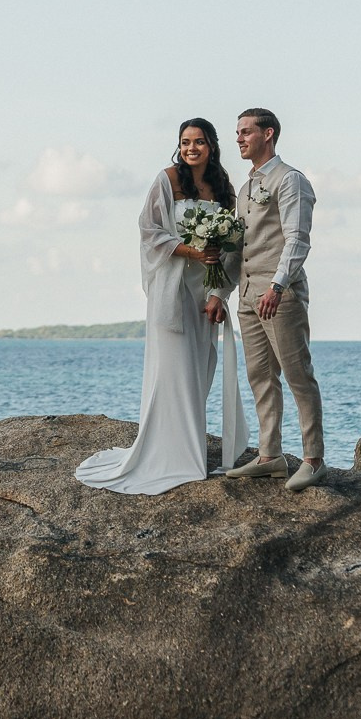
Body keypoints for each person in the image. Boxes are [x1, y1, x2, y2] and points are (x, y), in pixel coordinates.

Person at [75, 118, 248, 493]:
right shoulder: (167, 180)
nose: (191, 148)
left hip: (205, 290)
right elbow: (149, 231)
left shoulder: (224, 187)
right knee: (171, 368)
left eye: (198, 142)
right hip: (171, 289)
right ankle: (168, 454)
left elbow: (233, 246)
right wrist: (192, 251)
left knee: (199, 368)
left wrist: (219, 293)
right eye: (185, 142)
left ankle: (188, 447)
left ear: (212, 146)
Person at [222, 107, 325, 491]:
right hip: (248, 296)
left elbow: (297, 239)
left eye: (246, 131)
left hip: (280, 295)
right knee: (260, 377)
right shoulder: (246, 188)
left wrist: (277, 287)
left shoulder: (291, 180)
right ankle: (270, 456)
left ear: (268, 134)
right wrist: (219, 293)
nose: (239, 138)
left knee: (298, 375)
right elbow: (239, 248)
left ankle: (314, 459)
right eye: (237, 132)